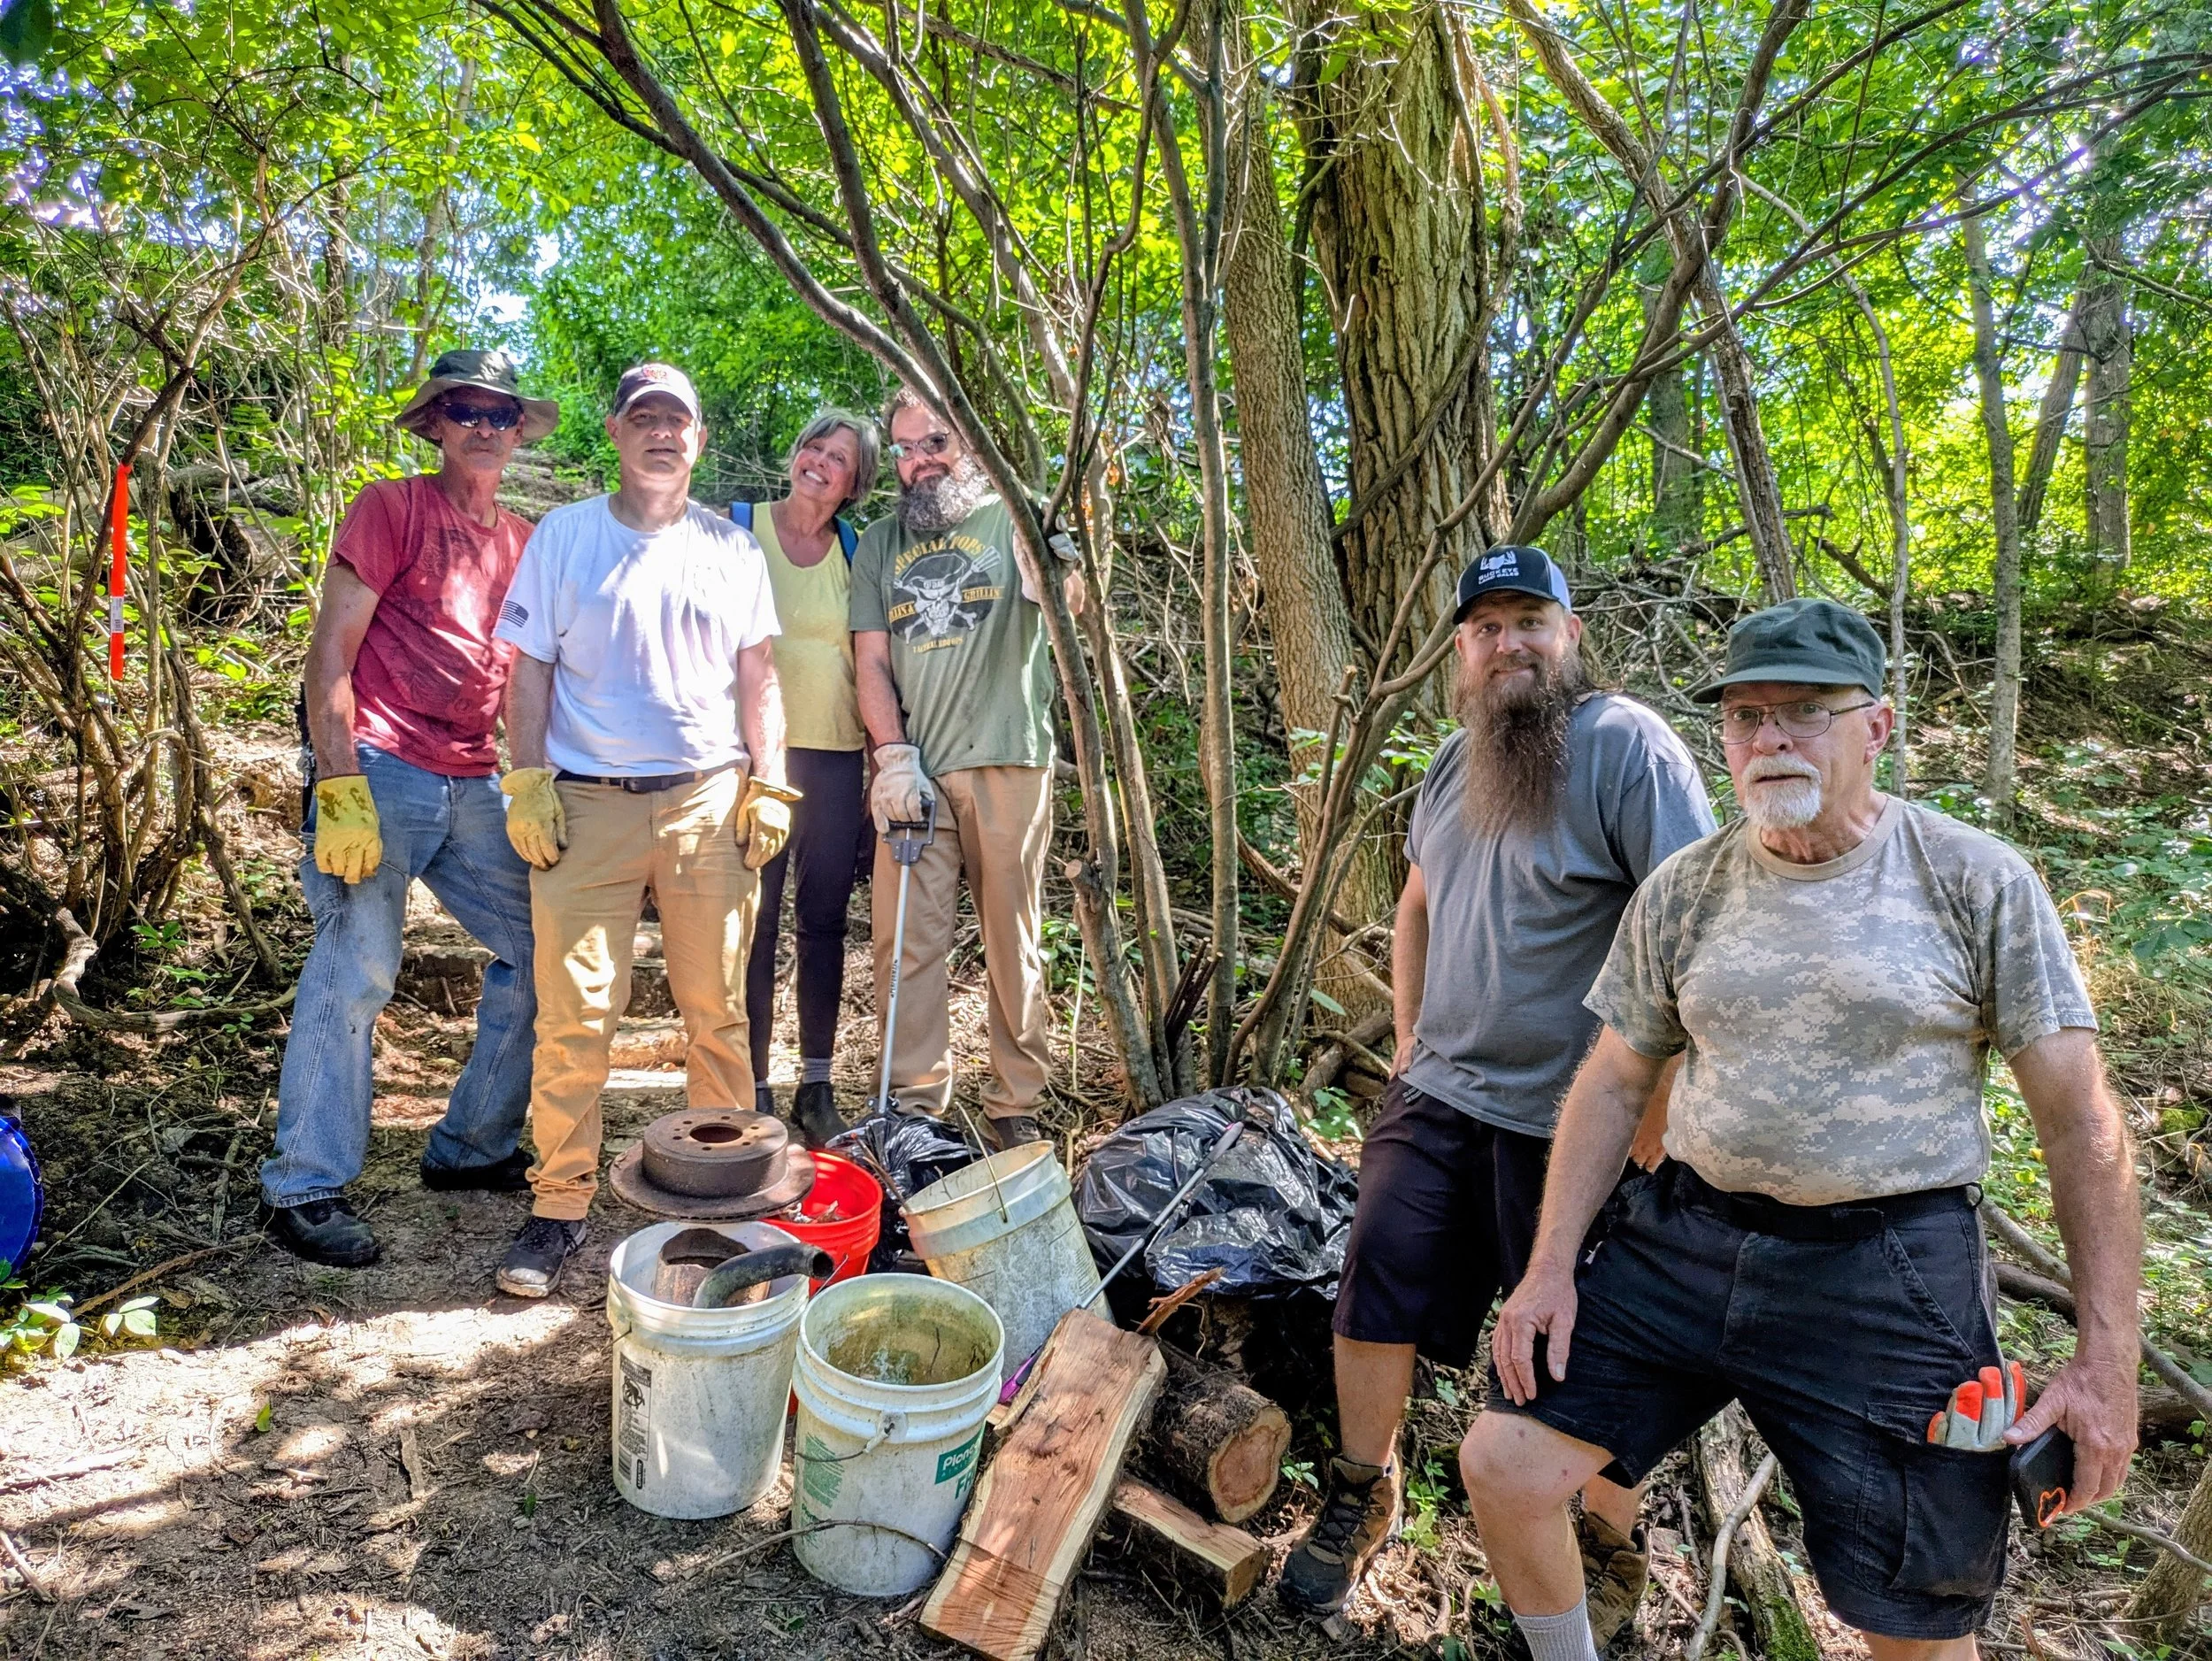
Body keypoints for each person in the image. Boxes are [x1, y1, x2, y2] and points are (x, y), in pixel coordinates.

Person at [1462, 599, 2141, 1661]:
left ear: (1875, 724)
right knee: (1505, 1463)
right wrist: (1550, 1264)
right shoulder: (1685, 888)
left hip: (1887, 1267)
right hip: (1683, 1237)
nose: (1768, 738)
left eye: (1802, 712)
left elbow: (2079, 1122)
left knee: (1913, 1612)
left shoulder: (1971, 879)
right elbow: (1609, 1081)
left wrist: (2107, 1359)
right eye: (1744, 715)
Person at [1279, 546, 1715, 1634]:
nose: (1507, 641)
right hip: (1440, 1097)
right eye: (1485, 625)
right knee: (1371, 1287)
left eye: (1530, 619)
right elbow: (1418, 901)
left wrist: (1658, 1113)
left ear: (1569, 633)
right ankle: (1359, 1492)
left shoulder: (1625, 747)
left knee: (1588, 1355)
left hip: (1578, 1122)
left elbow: (1695, 934)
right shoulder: (1451, 760)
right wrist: (1415, 1030)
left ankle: (1611, 1548)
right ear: (1461, 651)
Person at [490, 362, 793, 1296]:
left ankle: (719, 1196)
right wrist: (526, 777)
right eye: (644, 418)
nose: (662, 433)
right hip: (585, 803)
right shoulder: (564, 535)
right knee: (575, 1013)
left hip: (707, 800)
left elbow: (758, 678)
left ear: (698, 441)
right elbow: (529, 668)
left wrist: (771, 781)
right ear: (616, 433)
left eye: (678, 422)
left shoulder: (733, 550)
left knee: (716, 1010)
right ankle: (558, 1203)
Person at [259, 349, 559, 1268]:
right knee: (358, 968)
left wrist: (529, 775)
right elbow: (332, 651)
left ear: (517, 431)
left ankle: (471, 1146)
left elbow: (518, 674)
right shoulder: (390, 507)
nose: (482, 424)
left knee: (542, 943)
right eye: (464, 408)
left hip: (472, 779)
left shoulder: (522, 541)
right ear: (435, 423)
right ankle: (302, 1184)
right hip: (380, 766)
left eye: (499, 412)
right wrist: (339, 780)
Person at [849, 388, 1083, 1152]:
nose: (920, 463)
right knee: (904, 939)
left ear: (972, 445)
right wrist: (891, 756)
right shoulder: (883, 542)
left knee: (1011, 937)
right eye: (907, 450)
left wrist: (1053, 559)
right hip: (914, 771)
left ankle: (1016, 1099)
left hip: (1007, 757)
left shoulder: (1018, 512)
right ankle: (915, 1106)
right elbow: (872, 658)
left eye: (935, 443)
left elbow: (1071, 608)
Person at [735, 411, 881, 1150]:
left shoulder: (855, 550)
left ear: (856, 482)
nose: (820, 463)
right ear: (794, 455)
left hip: (834, 756)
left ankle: (816, 1085)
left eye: (840, 458)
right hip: (753, 760)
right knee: (753, 924)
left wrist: (879, 768)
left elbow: (874, 661)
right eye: (812, 448)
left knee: (823, 922)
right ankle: (753, 1083)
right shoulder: (736, 527)